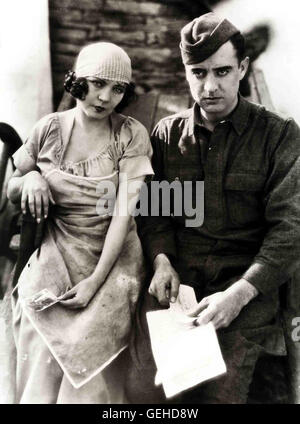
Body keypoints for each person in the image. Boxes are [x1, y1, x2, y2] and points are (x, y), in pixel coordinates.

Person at [126, 13, 300, 404]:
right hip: (179, 291)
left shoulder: (278, 135)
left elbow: (290, 230)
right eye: (198, 73)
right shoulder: (168, 137)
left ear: (242, 68)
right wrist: (162, 261)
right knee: (144, 394)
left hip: (244, 293)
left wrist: (239, 294)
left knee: (220, 397)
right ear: (185, 73)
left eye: (222, 71)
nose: (210, 86)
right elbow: (156, 213)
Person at [7, 42, 153, 404]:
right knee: (34, 323)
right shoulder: (49, 129)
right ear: (76, 81)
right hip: (59, 246)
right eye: (97, 83)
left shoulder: (131, 135)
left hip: (113, 255)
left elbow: (124, 214)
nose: (104, 97)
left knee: (91, 341)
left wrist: (93, 284)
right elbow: (11, 187)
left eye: (117, 88)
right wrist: (31, 180)